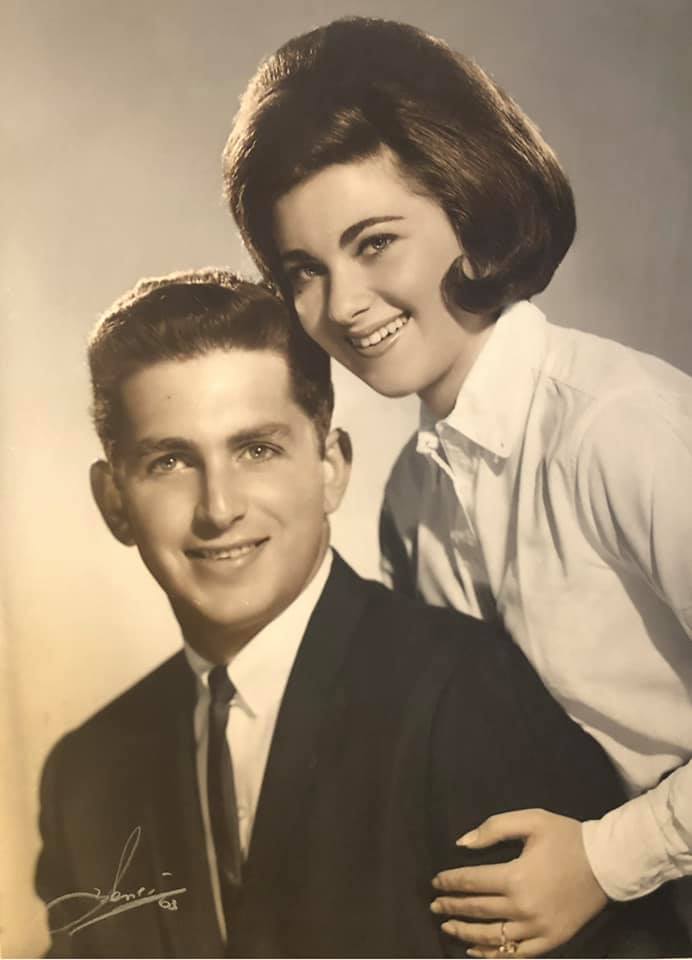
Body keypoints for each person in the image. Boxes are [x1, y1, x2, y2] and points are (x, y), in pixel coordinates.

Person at [34, 270, 683, 958]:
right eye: (170, 461)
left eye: (257, 450)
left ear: (332, 468)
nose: (219, 508)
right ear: (113, 500)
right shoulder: (85, 774)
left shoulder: (465, 695)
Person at [222, 15, 692, 957]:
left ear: (470, 207)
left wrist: (607, 859)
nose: (342, 305)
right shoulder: (412, 499)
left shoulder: (620, 427)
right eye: (304, 271)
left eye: (374, 243)